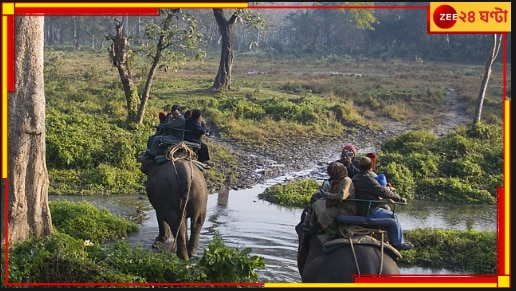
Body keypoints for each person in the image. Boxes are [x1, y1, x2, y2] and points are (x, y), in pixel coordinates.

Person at [352, 156, 414, 251]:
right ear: (370, 167)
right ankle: (398, 243)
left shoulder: (355, 178)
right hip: (369, 211)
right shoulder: (369, 180)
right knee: (394, 217)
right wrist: (399, 198)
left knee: (385, 209)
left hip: (358, 209)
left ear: (359, 167)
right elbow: (383, 191)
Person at [312, 162, 356, 237]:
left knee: (325, 214)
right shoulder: (335, 181)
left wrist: (328, 195)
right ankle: (315, 225)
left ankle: (333, 232)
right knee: (316, 204)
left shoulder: (346, 181)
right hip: (337, 205)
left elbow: (341, 197)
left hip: (346, 208)